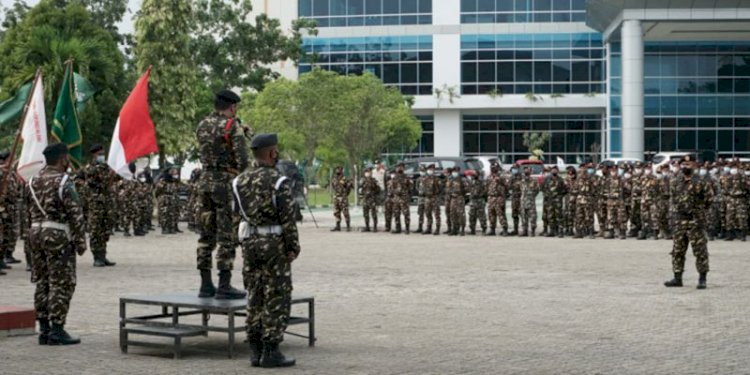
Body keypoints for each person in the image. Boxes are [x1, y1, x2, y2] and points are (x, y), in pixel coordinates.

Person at [232, 133, 299, 368]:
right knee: (277, 295)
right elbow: (288, 218)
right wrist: (293, 246)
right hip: (274, 243)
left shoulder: (239, 181)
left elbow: (235, 215)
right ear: (272, 153)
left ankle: (254, 349)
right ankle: (271, 350)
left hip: (249, 242)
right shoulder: (278, 181)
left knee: (254, 294)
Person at [26, 143, 87, 345]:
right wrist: (80, 243)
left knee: (42, 281)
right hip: (58, 236)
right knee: (61, 282)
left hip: (35, 234)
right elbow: (75, 214)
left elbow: (26, 210)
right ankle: (57, 329)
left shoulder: (32, 180)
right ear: (63, 159)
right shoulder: (63, 181)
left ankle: (43, 329)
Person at [195, 89, 248, 299]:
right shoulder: (232, 126)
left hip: (205, 181)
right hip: (224, 184)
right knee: (226, 233)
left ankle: (205, 284)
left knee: (205, 234)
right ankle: (224, 284)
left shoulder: (202, 125)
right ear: (232, 107)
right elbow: (242, 159)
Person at [664, 160, 712, 289]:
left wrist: (698, 212)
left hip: (695, 221)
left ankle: (702, 279)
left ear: (694, 166)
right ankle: (677, 277)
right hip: (680, 221)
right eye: (683, 164)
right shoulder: (675, 182)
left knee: (700, 251)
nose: (686, 167)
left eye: (688, 164)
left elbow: (709, 200)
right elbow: (673, 200)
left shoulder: (701, 182)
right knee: (677, 251)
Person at [79, 144, 116, 267]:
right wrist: (111, 173)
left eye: (103, 153)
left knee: (105, 229)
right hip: (95, 203)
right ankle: (97, 257)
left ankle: (103, 255)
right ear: (94, 155)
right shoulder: (91, 168)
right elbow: (104, 182)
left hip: (106, 202)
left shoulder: (105, 167)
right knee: (96, 230)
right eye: (100, 154)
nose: (102, 156)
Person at [0, 151, 20, 270]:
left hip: (10, 207)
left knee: (8, 234)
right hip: (3, 207)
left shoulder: (9, 172)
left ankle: (4, 256)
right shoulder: (2, 171)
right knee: (3, 234)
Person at [155, 167, 182, 234]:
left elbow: (177, 189)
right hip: (164, 198)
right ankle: (164, 229)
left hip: (171, 198)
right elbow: (158, 190)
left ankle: (171, 228)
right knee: (164, 214)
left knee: (171, 214)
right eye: (171, 171)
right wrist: (161, 197)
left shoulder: (173, 180)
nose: (172, 172)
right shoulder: (163, 180)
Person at [486, 163, 509, 236]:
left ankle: (505, 229)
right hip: (491, 197)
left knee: (501, 214)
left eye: (494, 167)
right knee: (491, 214)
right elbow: (486, 186)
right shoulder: (489, 177)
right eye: (492, 167)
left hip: (499, 197)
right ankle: (492, 229)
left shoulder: (502, 176)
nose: (493, 169)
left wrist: (500, 180)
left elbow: (507, 186)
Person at [544, 166, 566, 238]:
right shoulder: (547, 179)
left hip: (558, 201)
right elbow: (542, 188)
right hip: (550, 201)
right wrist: (547, 195)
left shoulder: (560, 180)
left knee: (559, 216)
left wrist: (559, 196)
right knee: (550, 216)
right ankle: (552, 231)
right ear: (551, 171)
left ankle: (560, 231)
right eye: (553, 170)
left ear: (558, 171)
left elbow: (564, 190)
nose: (554, 171)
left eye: (555, 170)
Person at [390, 162, 413, 234]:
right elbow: (391, 188)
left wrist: (407, 195)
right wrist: (393, 194)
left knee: (406, 213)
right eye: (398, 167)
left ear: (403, 168)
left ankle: (407, 229)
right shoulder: (394, 178)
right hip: (396, 198)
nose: (399, 168)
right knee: (396, 213)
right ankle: (398, 228)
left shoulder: (407, 178)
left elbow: (411, 188)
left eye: (401, 167)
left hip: (404, 198)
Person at [330, 165, 352, 232]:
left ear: (342, 170)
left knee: (345, 213)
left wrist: (345, 195)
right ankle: (337, 226)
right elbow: (334, 187)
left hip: (343, 198)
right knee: (336, 212)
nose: (338, 171)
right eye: (337, 169)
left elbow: (348, 188)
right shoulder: (334, 178)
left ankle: (348, 226)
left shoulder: (344, 178)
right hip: (336, 197)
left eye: (339, 169)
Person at [421, 164, 441, 235]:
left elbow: (440, 189)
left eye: (432, 169)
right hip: (427, 198)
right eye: (429, 169)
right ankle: (428, 228)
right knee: (428, 213)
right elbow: (423, 188)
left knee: (436, 214)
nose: (430, 171)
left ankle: (437, 229)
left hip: (434, 198)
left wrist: (436, 194)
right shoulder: (425, 178)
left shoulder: (436, 179)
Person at [359, 166, 381, 232]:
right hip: (365, 199)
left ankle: (375, 227)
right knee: (365, 214)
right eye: (366, 172)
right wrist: (361, 196)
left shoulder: (374, 181)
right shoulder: (362, 181)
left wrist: (374, 195)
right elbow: (360, 189)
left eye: (368, 172)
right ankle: (367, 227)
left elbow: (378, 190)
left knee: (373, 213)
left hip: (372, 199)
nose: (367, 173)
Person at [519, 166, 540, 237]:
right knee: (523, 217)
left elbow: (537, 190)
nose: (526, 171)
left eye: (527, 170)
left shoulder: (534, 180)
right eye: (525, 170)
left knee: (533, 217)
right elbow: (520, 190)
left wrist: (531, 196)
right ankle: (525, 231)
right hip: (523, 201)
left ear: (530, 171)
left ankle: (533, 231)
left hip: (531, 201)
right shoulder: (522, 180)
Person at [446, 167, 466, 236]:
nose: (454, 173)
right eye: (453, 171)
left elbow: (467, 188)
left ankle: (462, 229)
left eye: (456, 171)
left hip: (460, 198)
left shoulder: (462, 179)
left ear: (458, 171)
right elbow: (448, 189)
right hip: (453, 199)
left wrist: (461, 193)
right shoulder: (451, 179)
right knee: (452, 214)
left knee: (461, 214)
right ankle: (454, 229)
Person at [466, 169, 487, 235]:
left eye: (475, 174)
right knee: (472, 216)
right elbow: (469, 189)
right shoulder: (471, 182)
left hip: (479, 200)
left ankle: (484, 229)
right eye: (473, 174)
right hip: (472, 201)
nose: (473, 175)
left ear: (478, 175)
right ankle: (472, 230)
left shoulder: (481, 182)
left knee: (482, 216)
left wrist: (481, 195)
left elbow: (485, 191)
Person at [509, 164, 522, 235]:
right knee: (514, 214)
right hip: (514, 198)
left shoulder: (522, 177)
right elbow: (508, 187)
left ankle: (524, 230)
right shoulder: (511, 177)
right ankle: (515, 229)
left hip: (521, 198)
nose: (514, 169)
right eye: (513, 168)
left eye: (515, 168)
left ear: (518, 168)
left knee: (523, 214)